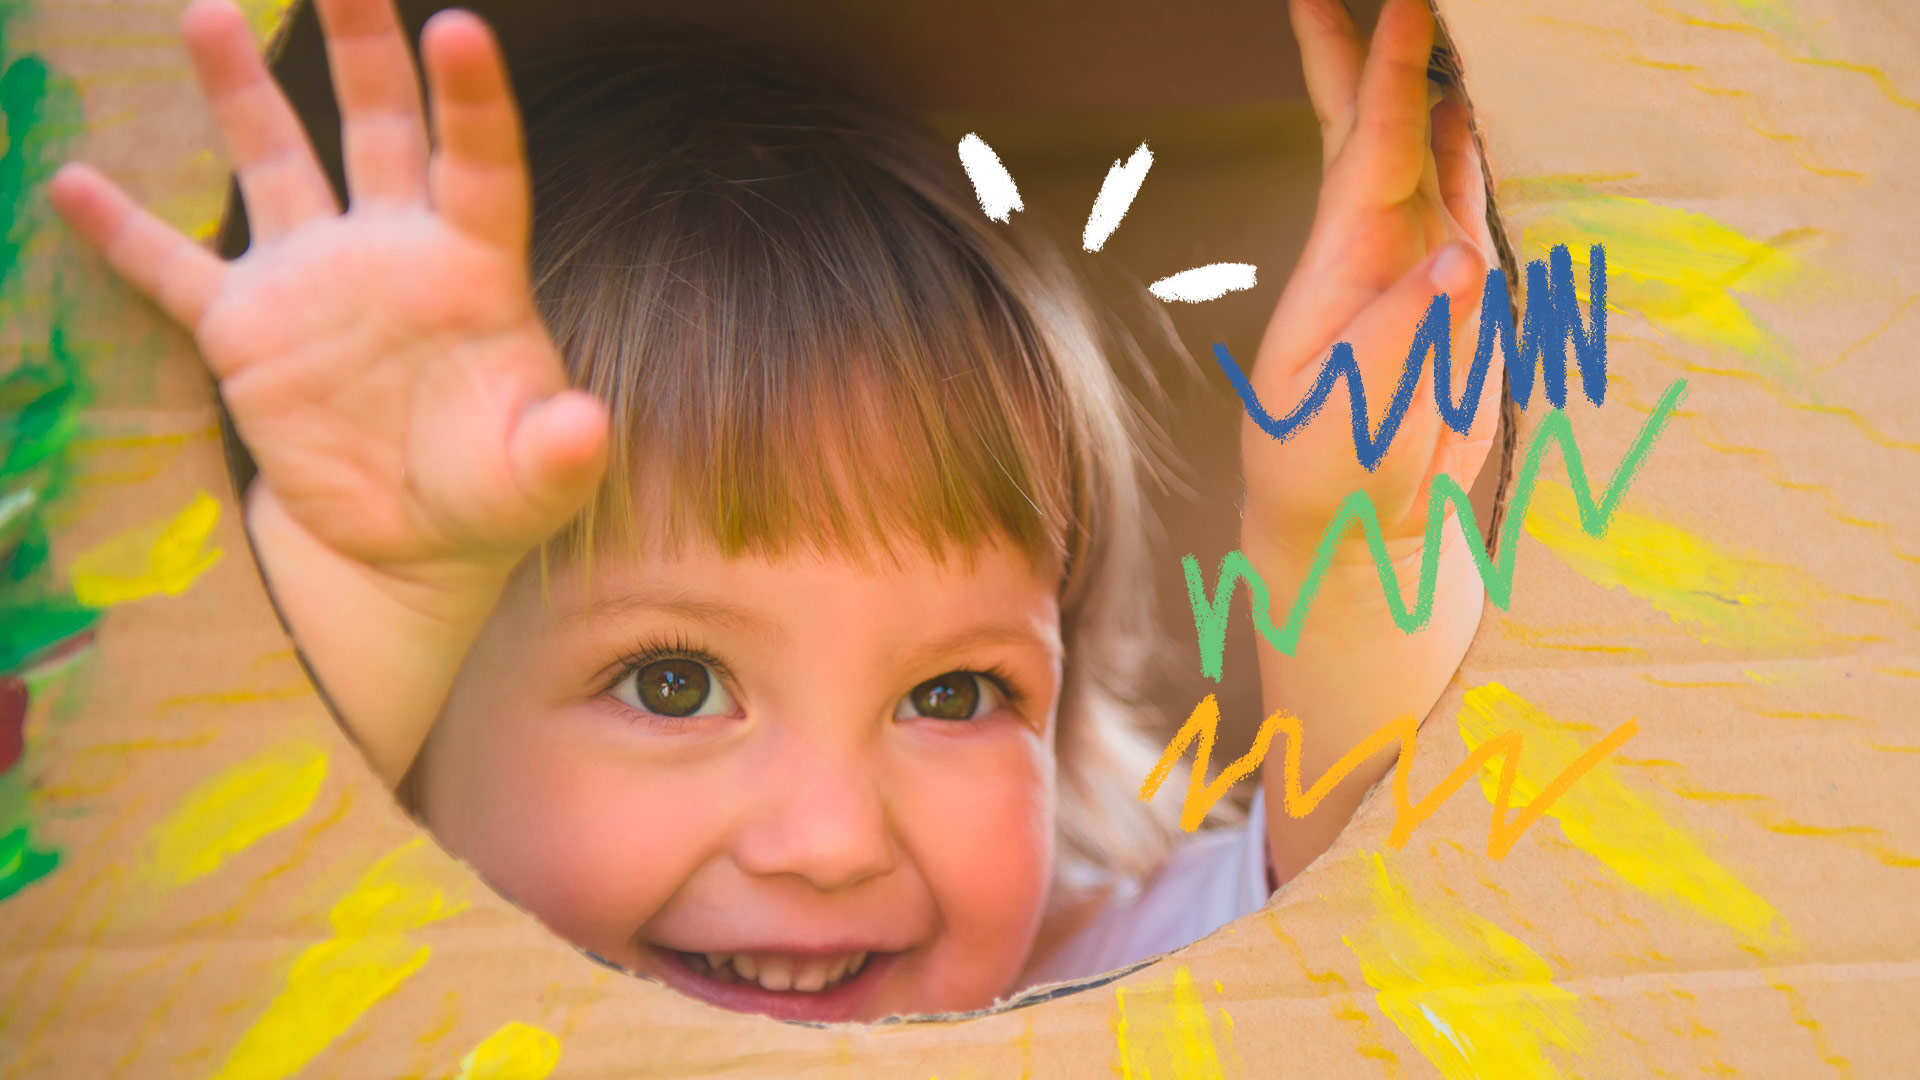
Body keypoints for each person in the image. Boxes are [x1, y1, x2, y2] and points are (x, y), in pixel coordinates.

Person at [48, 0, 1499, 1024]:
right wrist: (369, 614)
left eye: (955, 690)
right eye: (672, 682)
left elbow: (1372, 907)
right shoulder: (337, 983)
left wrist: (1348, 552)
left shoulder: (1087, 975)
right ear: (408, 745)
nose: (825, 840)